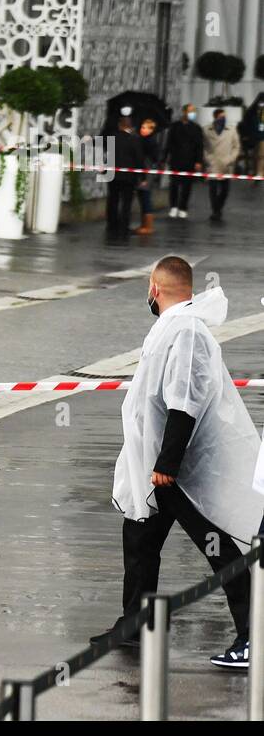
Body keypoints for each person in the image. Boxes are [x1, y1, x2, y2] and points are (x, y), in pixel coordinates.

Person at [92, 256, 263, 668]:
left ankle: (253, 639)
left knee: (221, 549)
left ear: (156, 287)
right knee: (140, 538)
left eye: (148, 287)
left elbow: (183, 401)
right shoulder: (173, 327)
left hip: (182, 470)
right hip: (162, 464)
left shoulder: (185, 331)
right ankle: (134, 626)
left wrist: (167, 464)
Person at [164, 104, 205, 218]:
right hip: (176, 160)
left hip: (190, 161)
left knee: (187, 186)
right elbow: (169, 143)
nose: (192, 114)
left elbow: (200, 146)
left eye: (194, 111)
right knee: (174, 185)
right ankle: (173, 206)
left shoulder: (197, 128)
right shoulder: (175, 126)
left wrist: (199, 161)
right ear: (184, 112)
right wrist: (164, 158)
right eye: (190, 111)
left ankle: (183, 207)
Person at [105, 114, 142, 237]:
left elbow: (106, 155)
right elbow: (138, 159)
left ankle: (112, 224)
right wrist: (142, 177)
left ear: (119, 125)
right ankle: (124, 226)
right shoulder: (134, 139)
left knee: (113, 200)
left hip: (112, 174)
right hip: (128, 177)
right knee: (126, 202)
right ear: (130, 126)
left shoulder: (111, 137)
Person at [204, 108, 240, 222]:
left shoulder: (231, 129)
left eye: (224, 117)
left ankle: (218, 208)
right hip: (213, 163)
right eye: (221, 117)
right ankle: (216, 211)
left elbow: (236, 146)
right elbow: (202, 146)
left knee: (225, 190)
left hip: (226, 163)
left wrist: (231, 158)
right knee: (213, 189)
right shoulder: (206, 129)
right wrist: (207, 158)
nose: (223, 119)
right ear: (215, 117)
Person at [133, 117, 160, 236]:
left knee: (145, 197)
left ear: (152, 130)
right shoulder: (142, 140)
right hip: (143, 170)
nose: (143, 130)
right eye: (142, 127)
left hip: (146, 171)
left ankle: (148, 226)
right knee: (142, 196)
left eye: (146, 128)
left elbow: (152, 157)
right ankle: (144, 224)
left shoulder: (149, 141)